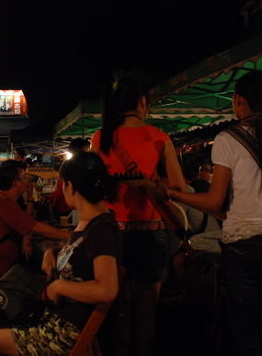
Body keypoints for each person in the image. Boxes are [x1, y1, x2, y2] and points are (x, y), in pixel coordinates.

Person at [167, 71, 262, 356]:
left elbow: (215, 199)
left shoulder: (228, 139)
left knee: (243, 326)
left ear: (239, 100)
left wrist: (173, 194)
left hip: (242, 241)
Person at [0, 152, 120, 356]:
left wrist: (59, 286)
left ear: (70, 186)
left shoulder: (101, 228)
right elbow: (79, 253)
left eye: (61, 184)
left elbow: (107, 289)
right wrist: (52, 252)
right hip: (51, 317)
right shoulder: (88, 223)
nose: (61, 190)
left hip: (61, 333)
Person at [91, 74, 188, 356]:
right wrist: (151, 183)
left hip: (114, 234)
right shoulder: (158, 137)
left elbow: (94, 186)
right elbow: (179, 186)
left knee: (119, 309)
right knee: (147, 311)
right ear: (142, 102)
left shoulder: (101, 138)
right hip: (151, 232)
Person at [0, 160, 71, 280]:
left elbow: (25, 220)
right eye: (24, 177)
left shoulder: (5, 199)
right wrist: (70, 235)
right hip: (1, 265)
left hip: (5, 257)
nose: (28, 180)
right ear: (15, 183)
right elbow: (34, 227)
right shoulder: (3, 202)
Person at [49, 138, 91, 216]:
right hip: (64, 206)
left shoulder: (69, 163)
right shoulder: (72, 165)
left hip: (69, 205)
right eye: (87, 149)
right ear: (79, 150)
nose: (88, 152)